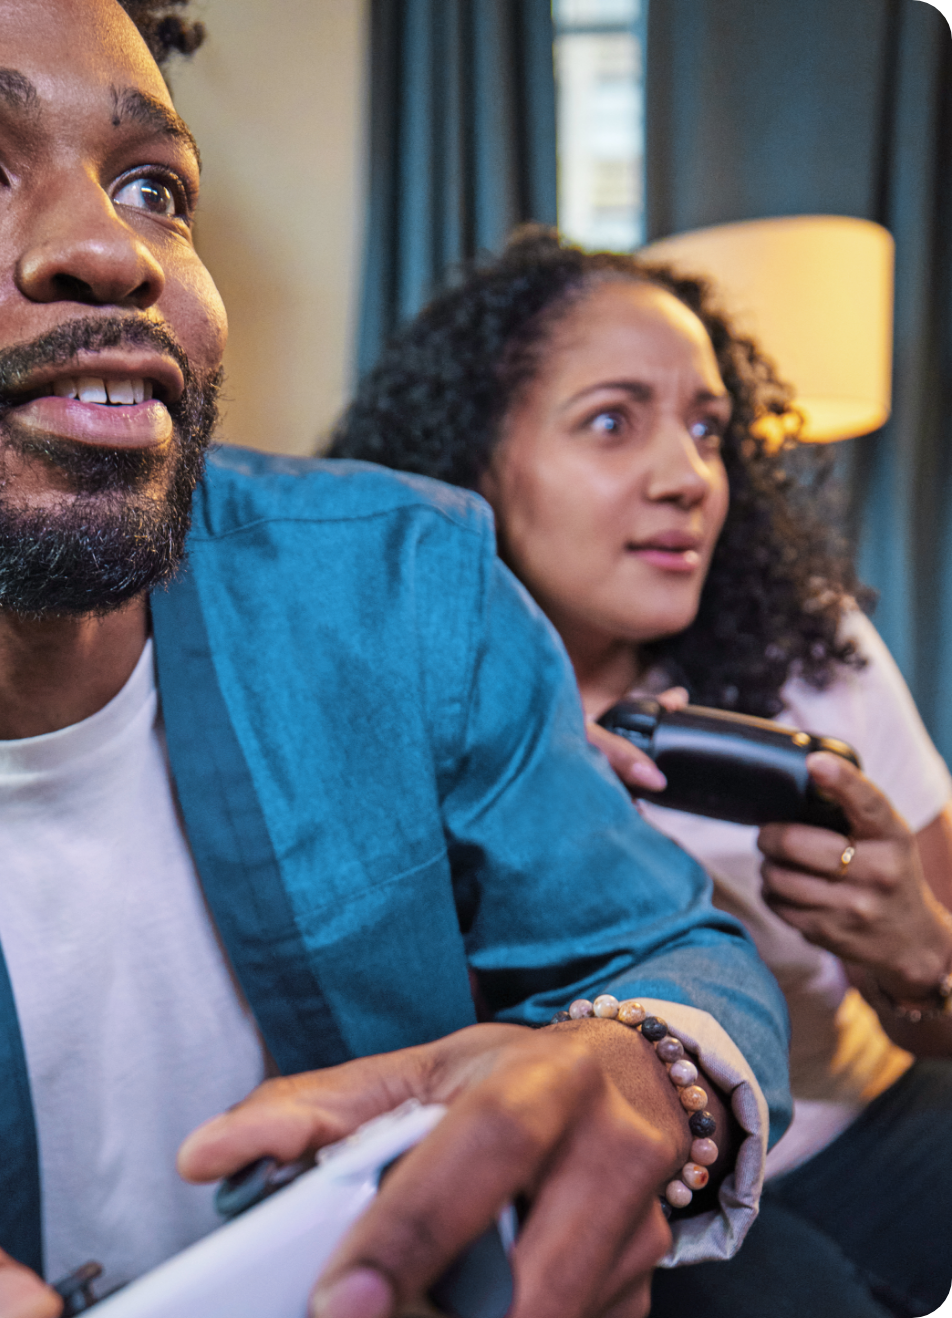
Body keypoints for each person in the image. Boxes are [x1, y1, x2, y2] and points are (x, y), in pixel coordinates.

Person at [0, 7, 791, 1318]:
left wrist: (641, 1064)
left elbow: (659, 943)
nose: (110, 248)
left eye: (154, 188)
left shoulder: (406, 579)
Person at [329, 225, 952, 1317]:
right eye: (612, 423)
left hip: (881, 1128)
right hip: (631, 1191)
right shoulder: (369, 702)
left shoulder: (814, 651)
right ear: (473, 460)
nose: (688, 478)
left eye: (709, 429)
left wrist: (918, 955)